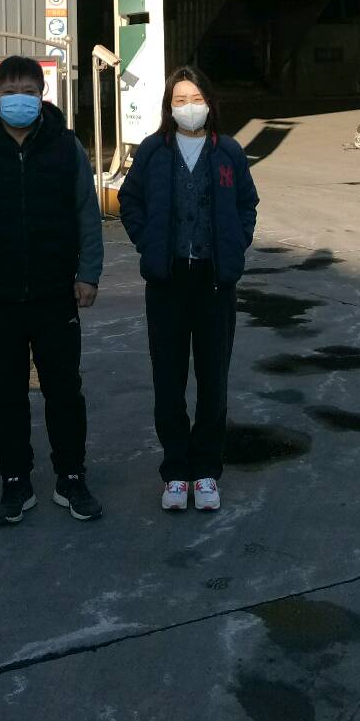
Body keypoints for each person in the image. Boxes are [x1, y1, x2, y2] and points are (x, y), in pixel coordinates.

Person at [0, 55, 104, 526]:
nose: (19, 100)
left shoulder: (66, 146)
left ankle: (71, 477)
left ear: (42, 95)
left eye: (28, 91)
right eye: (9, 91)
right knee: (5, 395)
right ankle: (15, 481)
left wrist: (88, 273)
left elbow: (86, 213)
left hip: (56, 293)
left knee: (64, 391)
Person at [118, 66, 258, 514]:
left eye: (195, 98)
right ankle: (176, 471)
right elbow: (130, 201)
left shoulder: (229, 152)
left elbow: (247, 204)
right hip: (168, 280)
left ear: (209, 103)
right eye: (180, 100)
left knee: (213, 380)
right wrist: (148, 243)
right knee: (169, 380)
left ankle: (206, 471)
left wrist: (235, 243)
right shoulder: (153, 151)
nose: (189, 107)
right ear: (169, 107)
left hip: (215, 282)